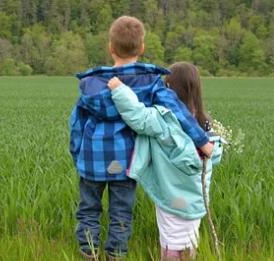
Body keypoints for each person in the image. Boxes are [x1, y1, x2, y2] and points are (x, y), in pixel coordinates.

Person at [70, 16, 213, 260]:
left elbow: (76, 123)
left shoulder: (91, 84)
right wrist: (201, 140)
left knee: (88, 209)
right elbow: (178, 111)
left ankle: (88, 252)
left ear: (110, 48)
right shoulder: (150, 82)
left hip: (92, 159)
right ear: (142, 48)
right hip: (126, 161)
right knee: (121, 212)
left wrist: (77, 154)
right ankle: (116, 254)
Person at [107, 62, 223, 261]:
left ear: (168, 88)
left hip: (172, 198)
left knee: (171, 244)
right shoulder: (203, 124)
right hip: (195, 200)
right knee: (188, 242)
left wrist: (119, 89)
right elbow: (212, 156)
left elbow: (137, 115)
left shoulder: (165, 119)